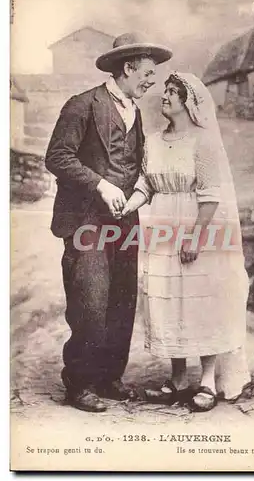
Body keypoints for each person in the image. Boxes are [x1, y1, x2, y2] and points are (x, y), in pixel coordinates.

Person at [45, 32, 172, 412]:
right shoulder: (82, 105)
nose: (152, 81)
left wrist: (134, 196)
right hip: (86, 220)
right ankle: (80, 383)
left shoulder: (135, 112)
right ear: (127, 68)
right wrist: (100, 185)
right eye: (148, 72)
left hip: (124, 221)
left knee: (121, 300)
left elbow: (134, 166)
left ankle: (108, 377)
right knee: (90, 301)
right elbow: (57, 157)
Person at [121, 72, 254, 412]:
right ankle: (178, 377)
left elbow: (211, 197)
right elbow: (146, 185)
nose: (164, 96)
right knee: (169, 300)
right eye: (164, 91)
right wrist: (128, 206)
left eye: (171, 92)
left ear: (188, 101)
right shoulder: (152, 140)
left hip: (197, 226)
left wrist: (195, 237)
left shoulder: (204, 141)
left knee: (199, 300)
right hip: (162, 226)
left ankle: (207, 380)